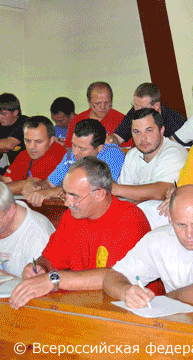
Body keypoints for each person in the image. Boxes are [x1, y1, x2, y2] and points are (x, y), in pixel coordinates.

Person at [9, 157, 150, 310]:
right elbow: (50, 258)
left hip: (131, 310)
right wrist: (39, 268)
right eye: (65, 194)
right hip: (84, 305)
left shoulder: (130, 219)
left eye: (74, 196)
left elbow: (116, 276)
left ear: (99, 194)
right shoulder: (71, 217)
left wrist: (53, 279)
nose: (66, 202)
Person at [103, 185, 193, 308]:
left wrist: (168, 297)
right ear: (170, 218)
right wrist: (126, 292)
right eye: (181, 224)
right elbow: (112, 278)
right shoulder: (158, 239)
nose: (189, 234)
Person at [22, 119, 124, 207]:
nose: (75, 152)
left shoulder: (112, 153)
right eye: (74, 145)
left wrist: (51, 192)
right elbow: (49, 183)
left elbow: (98, 189)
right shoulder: (70, 155)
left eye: (82, 149)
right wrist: (35, 186)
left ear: (100, 148)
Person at [113, 109, 187, 203]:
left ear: (161, 130)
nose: (143, 138)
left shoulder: (174, 152)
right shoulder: (132, 154)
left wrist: (116, 189)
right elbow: (122, 197)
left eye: (148, 131)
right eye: (137, 132)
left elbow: (162, 192)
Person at [0, 182, 55, 277]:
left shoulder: (38, 235)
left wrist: (4, 275)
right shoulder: (5, 214)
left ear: (11, 210)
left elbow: (38, 283)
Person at [107, 82, 186, 146]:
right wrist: (111, 140)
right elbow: (118, 137)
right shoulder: (136, 111)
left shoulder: (175, 122)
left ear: (156, 106)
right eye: (135, 105)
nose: (137, 110)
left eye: (142, 108)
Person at [2, 116, 66, 195]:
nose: (32, 146)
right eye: (28, 141)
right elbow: (6, 180)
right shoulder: (25, 154)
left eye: (38, 141)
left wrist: (11, 186)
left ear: (51, 141)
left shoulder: (57, 152)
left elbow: (32, 185)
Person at [64, 81, 125, 147]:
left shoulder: (122, 121)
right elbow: (69, 148)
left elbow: (127, 150)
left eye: (107, 102)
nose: (103, 107)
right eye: (97, 103)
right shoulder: (77, 121)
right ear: (89, 101)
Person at [0, 93, 28, 175]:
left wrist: (3, 145)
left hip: (30, 169)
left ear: (15, 112)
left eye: (3, 114)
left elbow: (9, 144)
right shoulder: (2, 125)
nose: (0, 117)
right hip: (13, 168)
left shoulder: (25, 123)